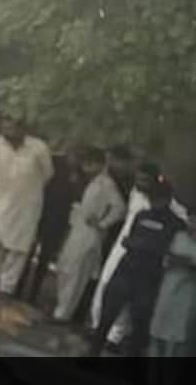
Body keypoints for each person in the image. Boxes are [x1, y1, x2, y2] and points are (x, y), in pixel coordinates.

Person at [91, 161, 189, 349]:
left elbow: (163, 249)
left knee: (140, 325)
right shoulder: (142, 215)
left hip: (148, 278)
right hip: (126, 270)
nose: (154, 203)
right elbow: (129, 240)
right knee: (107, 315)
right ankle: (93, 353)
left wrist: (144, 246)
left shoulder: (175, 223)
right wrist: (142, 245)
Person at [0, 118, 53, 297]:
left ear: (22, 129)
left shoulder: (39, 148)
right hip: (1, 200)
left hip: (26, 206)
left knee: (17, 251)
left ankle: (5, 289)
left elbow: (47, 174)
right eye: (4, 128)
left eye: (11, 128)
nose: (7, 132)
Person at [52, 147, 127, 324]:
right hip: (76, 227)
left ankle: (63, 314)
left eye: (90, 164)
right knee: (63, 268)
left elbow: (120, 208)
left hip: (89, 232)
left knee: (76, 274)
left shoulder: (106, 183)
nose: (86, 167)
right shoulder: (86, 180)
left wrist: (102, 223)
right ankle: (60, 307)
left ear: (100, 165)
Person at [18, 152, 80, 305]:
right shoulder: (54, 164)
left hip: (58, 220)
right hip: (42, 212)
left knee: (44, 259)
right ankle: (18, 287)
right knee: (27, 252)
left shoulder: (78, 174)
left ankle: (33, 293)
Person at [148, 212, 196, 358]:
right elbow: (165, 258)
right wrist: (184, 261)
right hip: (166, 291)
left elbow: (181, 261)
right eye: (191, 218)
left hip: (186, 299)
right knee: (156, 334)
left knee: (178, 341)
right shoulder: (179, 236)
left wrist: (184, 261)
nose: (192, 222)